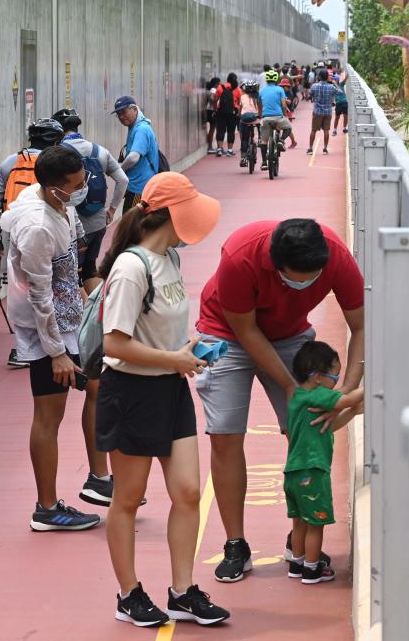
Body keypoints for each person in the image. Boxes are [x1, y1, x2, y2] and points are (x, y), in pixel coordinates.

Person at [195, 219, 365, 582]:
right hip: (228, 334)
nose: (305, 283)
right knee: (225, 436)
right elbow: (247, 331)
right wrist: (291, 387)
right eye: (296, 277)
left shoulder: (335, 255)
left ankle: (299, 542)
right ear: (275, 264)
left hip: (290, 337)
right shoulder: (240, 255)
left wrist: (345, 394)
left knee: (305, 431)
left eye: (313, 277)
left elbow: (362, 325)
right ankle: (235, 543)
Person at [96, 172, 230, 628]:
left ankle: (182, 591)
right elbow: (114, 344)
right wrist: (173, 359)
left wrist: (188, 353)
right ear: (172, 214)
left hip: (170, 387)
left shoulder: (169, 257)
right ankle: (128, 594)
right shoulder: (131, 268)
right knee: (128, 500)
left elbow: (159, 331)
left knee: (189, 491)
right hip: (131, 392)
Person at [0, 145, 104, 531]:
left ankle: (98, 478)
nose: (83, 190)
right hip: (48, 329)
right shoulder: (38, 226)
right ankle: (46, 508)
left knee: (93, 387)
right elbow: (41, 293)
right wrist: (56, 352)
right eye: (76, 186)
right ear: (55, 187)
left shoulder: (59, 204)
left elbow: (68, 272)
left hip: (67, 320)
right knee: (49, 415)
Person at [0, 118, 67, 369]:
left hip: (17, 232)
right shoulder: (56, 165)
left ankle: (23, 349)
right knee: (52, 287)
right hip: (51, 231)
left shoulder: (10, 162)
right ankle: (57, 343)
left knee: (23, 290)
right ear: (55, 141)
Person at [284, 341, 347, 584]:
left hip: (293, 471)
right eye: (335, 375)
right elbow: (346, 400)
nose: (337, 381)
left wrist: (355, 410)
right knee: (316, 523)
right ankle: (312, 569)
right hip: (313, 470)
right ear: (319, 377)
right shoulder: (318, 395)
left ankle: (297, 564)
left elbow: (329, 424)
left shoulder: (298, 397)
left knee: (299, 522)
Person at [52, 108, 129, 293]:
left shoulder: (58, 153)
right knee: (89, 269)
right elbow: (123, 180)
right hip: (98, 222)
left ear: (60, 129)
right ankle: (98, 313)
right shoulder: (99, 151)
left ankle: (80, 318)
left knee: (70, 275)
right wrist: (111, 210)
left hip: (73, 228)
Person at [114, 96, 160, 211]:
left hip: (139, 188)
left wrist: (119, 169)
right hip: (138, 186)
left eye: (123, 112)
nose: (121, 117)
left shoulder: (141, 129)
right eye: (118, 114)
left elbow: (133, 157)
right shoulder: (136, 126)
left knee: (131, 225)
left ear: (134, 109)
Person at [258, 70, 297, 152]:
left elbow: (260, 105)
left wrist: (260, 116)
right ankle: (281, 140)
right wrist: (285, 115)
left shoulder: (261, 90)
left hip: (266, 118)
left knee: (264, 141)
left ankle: (264, 162)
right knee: (288, 128)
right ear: (276, 80)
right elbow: (283, 104)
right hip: (278, 117)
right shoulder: (280, 90)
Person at [307, 69, 337, 156]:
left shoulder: (314, 86)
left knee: (313, 130)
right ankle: (325, 149)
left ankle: (310, 149)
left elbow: (309, 96)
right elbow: (340, 92)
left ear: (319, 77)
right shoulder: (331, 87)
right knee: (326, 131)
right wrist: (335, 84)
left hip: (317, 111)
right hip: (328, 111)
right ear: (327, 77)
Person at [212, 73, 241, 158]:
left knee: (220, 130)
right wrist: (238, 112)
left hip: (221, 112)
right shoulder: (237, 89)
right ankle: (229, 150)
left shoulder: (221, 87)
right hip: (233, 113)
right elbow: (239, 103)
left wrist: (215, 109)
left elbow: (215, 99)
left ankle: (219, 149)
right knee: (231, 131)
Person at [237, 81, 262, 169]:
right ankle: (260, 138)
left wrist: (240, 116)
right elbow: (260, 109)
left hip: (245, 120)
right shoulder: (258, 97)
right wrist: (260, 115)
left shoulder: (242, 97)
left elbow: (240, 111)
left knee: (244, 139)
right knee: (260, 123)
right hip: (256, 119)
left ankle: (243, 158)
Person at [203, 78, 220, 156]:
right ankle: (210, 146)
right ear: (216, 84)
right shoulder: (213, 90)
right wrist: (216, 107)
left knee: (210, 129)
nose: (219, 85)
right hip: (212, 111)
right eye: (218, 83)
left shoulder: (209, 90)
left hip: (207, 111)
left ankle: (210, 145)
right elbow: (213, 99)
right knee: (212, 129)